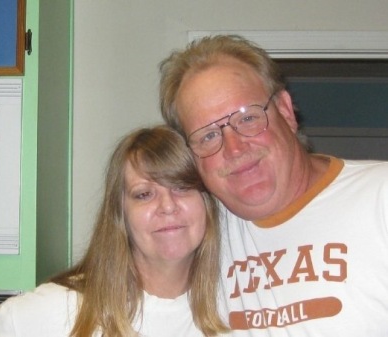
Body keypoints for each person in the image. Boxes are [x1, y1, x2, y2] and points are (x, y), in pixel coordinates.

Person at [158, 34, 388, 336]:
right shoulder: (196, 232)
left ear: (285, 111)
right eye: (208, 135)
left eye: (248, 118)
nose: (235, 149)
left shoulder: (379, 196)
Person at [0, 125, 229, 337]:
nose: (168, 206)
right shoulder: (63, 308)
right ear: (120, 215)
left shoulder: (237, 305)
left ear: (207, 203)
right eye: (144, 194)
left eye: (182, 187)